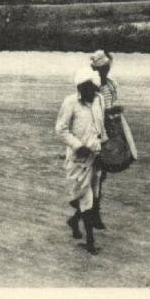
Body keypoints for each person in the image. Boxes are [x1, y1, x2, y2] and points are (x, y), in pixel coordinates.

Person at [56, 66, 108, 255]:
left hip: (96, 156)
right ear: (79, 87)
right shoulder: (70, 103)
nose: (89, 92)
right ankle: (91, 242)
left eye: (91, 88)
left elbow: (101, 127)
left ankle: (74, 221)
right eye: (84, 88)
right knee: (86, 198)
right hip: (78, 160)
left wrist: (104, 150)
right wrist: (78, 146)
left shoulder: (99, 100)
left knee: (93, 196)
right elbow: (60, 129)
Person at [89, 49, 138, 229]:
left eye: (106, 67)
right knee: (96, 173)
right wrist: (113, 111)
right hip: (96, 130)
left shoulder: (110, 84)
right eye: (102, 68)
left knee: (101, 174)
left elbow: (109, 105)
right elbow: (93, 110)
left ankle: (92, 212)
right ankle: (92, 213)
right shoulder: (91, 85)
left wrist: (114, 113)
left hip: (110, 130)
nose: (105, 71)